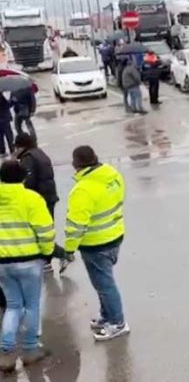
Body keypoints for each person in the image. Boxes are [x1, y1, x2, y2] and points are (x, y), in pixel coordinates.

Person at [62, 145, 130, 341]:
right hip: (115, 234)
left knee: (104, 284)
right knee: (103, 283)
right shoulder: (112, 175)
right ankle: (107, 316)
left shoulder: (82, 189)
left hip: (96, 243)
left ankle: (117, 323)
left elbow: (76, 225)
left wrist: (69, 250)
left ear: (76, 164)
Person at [0, 159, 54, 371]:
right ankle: (30, 350)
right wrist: (47, 253)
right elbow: (45, 229)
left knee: (13, 306)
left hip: (3, 263)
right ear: (23, 177)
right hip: (29, 260)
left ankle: (6, 353)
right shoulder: (31, 198)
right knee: (31, 306)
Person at [13, 133, 67, 267]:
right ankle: (49, 259)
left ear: (22, 146)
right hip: (48, 196)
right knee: (45, 230)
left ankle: (58, 256)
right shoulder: (38, 153)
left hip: (40, 199)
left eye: (17, 147)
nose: (15, 151)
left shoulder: (28, 158)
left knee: (39, 232)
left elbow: (28, 182)